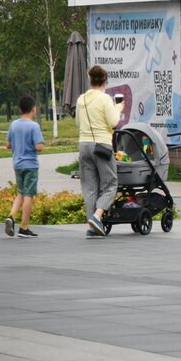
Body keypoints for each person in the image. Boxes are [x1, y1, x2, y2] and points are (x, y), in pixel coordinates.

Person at [77, 65, 122, 238]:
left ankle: (91, 226)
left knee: (89, 187)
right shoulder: (104, 99)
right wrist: (118, 109)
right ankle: (97, 217)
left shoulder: (82, 99)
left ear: (90, 80)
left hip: (84, 145)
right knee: (110, 183)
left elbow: (78, 124)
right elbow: (112, 122)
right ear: (105, 81)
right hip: (101, 146)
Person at [4, 95, 44, 239]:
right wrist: (41, 145)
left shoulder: (14, 124)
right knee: (29, 195)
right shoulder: (34, 126)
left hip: (17, 164)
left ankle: (11, 216)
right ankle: (24, 227)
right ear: (34, 109)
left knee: (21, 193)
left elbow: (8, 145)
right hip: (31, 165)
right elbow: (39, 146)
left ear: (20, 109)